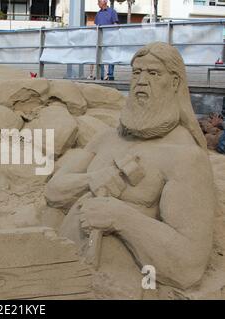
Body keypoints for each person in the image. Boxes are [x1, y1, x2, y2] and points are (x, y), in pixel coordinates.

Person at [45, 42, 215, 298]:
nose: (141, 82)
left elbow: (188, 266)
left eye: (153, 74)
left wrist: (120, 218)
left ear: (175, 82)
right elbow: (54, 190)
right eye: (137, 73)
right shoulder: (107, 138)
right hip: (58, 272)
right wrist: (92, 179)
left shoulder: (185, 157)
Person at [95, 0, 119, 80]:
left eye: (99, 1)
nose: (97, 3)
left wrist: (114, 36)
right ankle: (101, 76)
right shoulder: (98, 13)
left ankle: (110, 75)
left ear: (104, 1)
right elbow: (96, 27)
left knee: (111, 57)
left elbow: (115, 25)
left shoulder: (112, 12)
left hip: (111, 39)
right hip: (101, 39)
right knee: (101, 57)